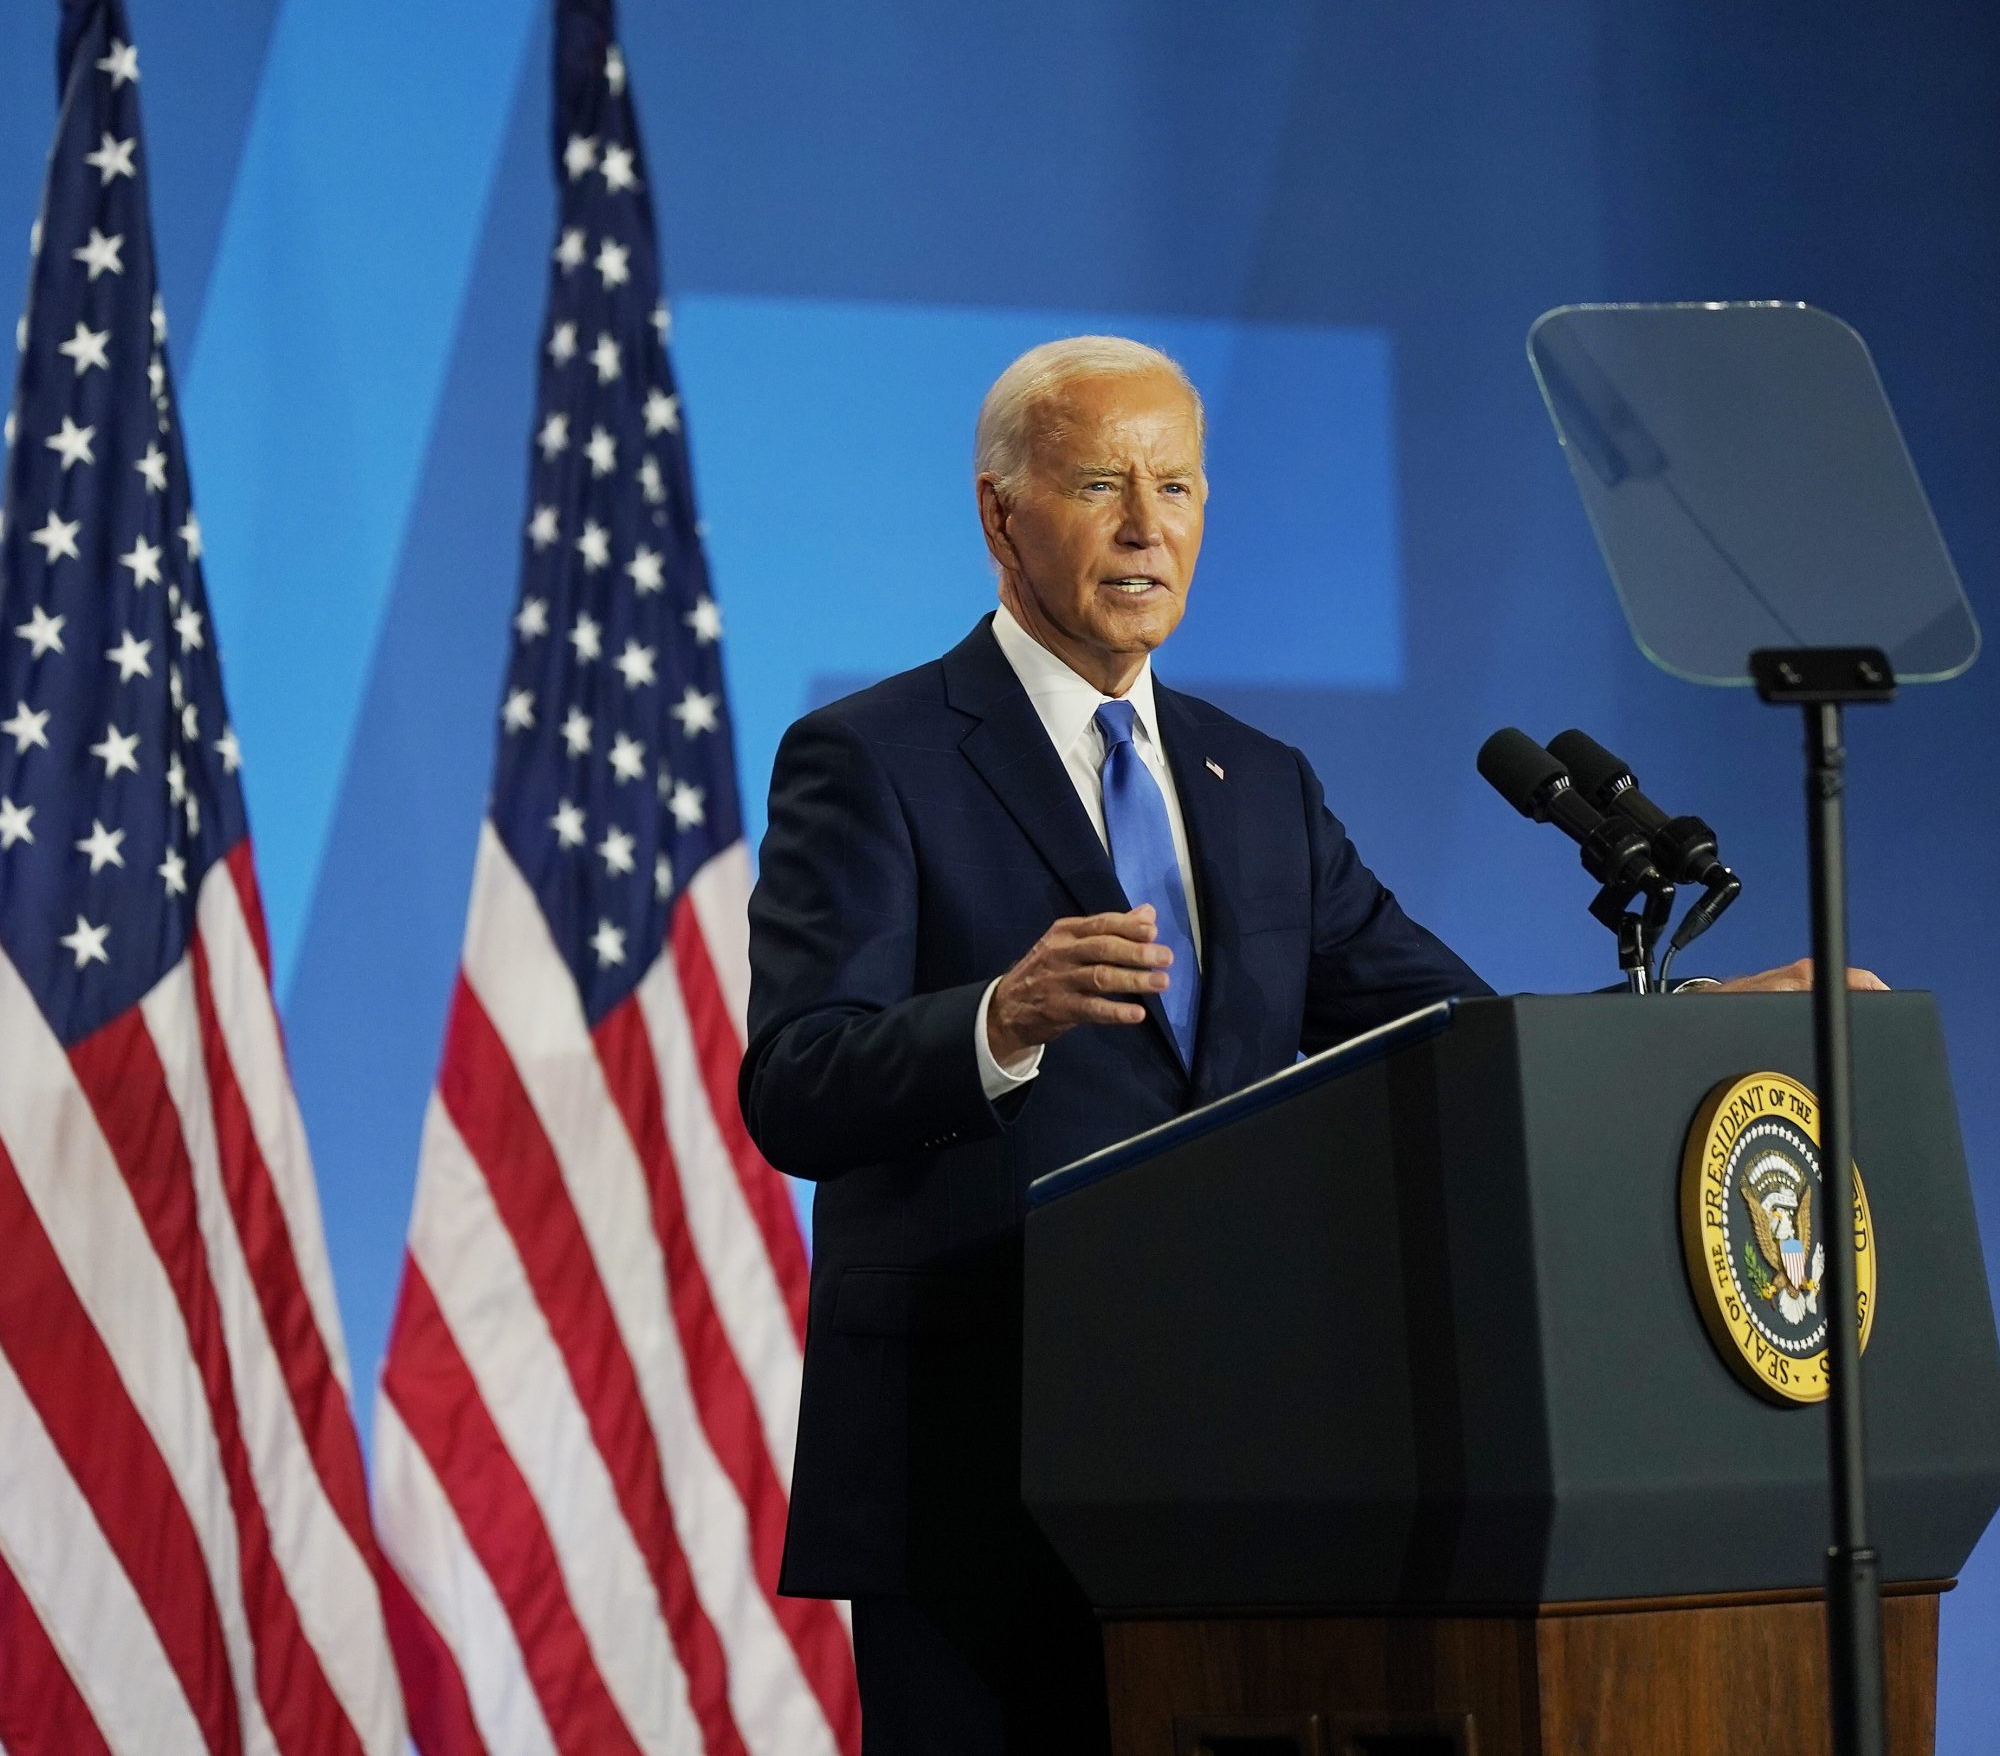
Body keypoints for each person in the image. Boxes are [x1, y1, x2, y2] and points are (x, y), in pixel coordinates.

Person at [736, 336, 1873, 1755]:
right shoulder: (874, 756)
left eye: (1181, 487)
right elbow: (795, 1087)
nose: (1150, 528)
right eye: (1102, 484)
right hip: (980, 1467)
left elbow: (1450, 1037)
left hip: (1244, 1471)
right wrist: (995, 1020)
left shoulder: (1256, 782)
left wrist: (1671, 1033)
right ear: (1000, 513)